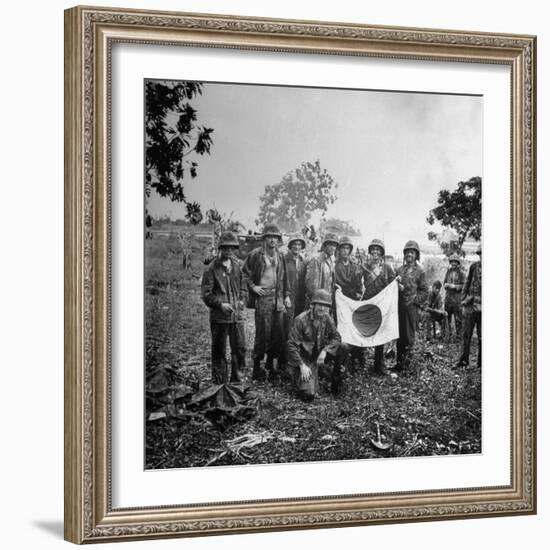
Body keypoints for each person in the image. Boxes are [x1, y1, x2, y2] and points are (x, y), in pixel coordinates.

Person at [242, 223, 291, 381]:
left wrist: (285, 296)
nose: (272, 240)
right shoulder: (256, 254)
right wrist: (253, 287)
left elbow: (284, 279)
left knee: (277, 333)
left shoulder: (280, 255)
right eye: (270, 237)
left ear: (278, 240)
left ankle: (270, 366)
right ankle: (257, 369)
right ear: (264, 239)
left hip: (277, 298)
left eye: (275, 237)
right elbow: (245, 274)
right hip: (263, 298)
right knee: (262, 334)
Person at [200, 231, 248, 384]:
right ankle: (219, 382)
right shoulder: (211, 269)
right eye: (225, 247)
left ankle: (237, 381)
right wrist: (221, 305)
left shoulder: (238, 266)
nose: (229, 251)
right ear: (220, 248)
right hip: (220, 317)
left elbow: (244, 287)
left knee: (240, 349)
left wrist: (242, 300)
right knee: (219, 350)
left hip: (237, 316)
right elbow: (206, 294)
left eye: (232, 248)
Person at [286, 289, 348, 401]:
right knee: (308, 395)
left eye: (326, 305)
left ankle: (335, 383)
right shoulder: (301, 320)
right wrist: (301, 365)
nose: (322, 308)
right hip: (305, 359)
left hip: (319, 355)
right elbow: (291, 345)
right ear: (312, 305)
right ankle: (299, 375)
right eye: (319, 304)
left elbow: (337, 337)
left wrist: (325, 351)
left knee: (343, 347)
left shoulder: (327, 318)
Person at [361, 238, 396, 375]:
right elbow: (358, 281)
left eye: (378, 250)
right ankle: (360, 360)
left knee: (380, 334)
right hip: (368, 301)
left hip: (382, 303)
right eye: (373, 249)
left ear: (381, 252)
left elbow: (392, 283)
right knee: (365, 330)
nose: (375, 252)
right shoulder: (365, 266)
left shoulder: (386, 267)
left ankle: (378, 364)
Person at [395, 240, 429, 372]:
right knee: (399, 335)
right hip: (399, 306)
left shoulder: (420, 271)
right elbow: (393, 287)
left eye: (412, 252)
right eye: (407, 252)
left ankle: (407, 365)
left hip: (411, 307)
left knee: (409, 337)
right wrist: (397, 286)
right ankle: (399, 364)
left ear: (416, 255)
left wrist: (416, 300)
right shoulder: (399, 270)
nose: (409, 254)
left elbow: (425, 290)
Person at [279, 235, 307, 373]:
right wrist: (286, 295)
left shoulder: (302, 261)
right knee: (287, 329)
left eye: (299, 245)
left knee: (298, 327)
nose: (297, 247)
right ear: (290, 246)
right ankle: (283, 360)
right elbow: (281, 279)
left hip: (300, 298)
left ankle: (295, 358)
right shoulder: (284, 259)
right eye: (294, 244)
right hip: (289, 297)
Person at [456, 244, 482, 369]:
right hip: (471, 307)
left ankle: (481, 363)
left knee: (483, 336)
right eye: (481, 253)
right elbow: (466, 284)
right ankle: (464, 360)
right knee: (466, 334)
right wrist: (463, 299)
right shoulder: (474, 267)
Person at [305, 233, 339, 306]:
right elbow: (312, 285)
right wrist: (314, 302)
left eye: (334, 245)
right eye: (330, 245)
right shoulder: (316, 260)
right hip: (318, 301)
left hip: (327, 300)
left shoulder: (331, 261)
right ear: (324, 246)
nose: (332, 248)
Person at [444, 253, 465, 339]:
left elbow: (464, 286)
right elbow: (444, 281)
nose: (453, 264)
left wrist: (455, 286)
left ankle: (459, 335)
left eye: (455, 262)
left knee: (458, 317)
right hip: (448, 297)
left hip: (457, 298)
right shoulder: (448, 272)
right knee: (447, 316)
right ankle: (448, 334)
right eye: (452, 262)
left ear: (458, 263)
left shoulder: (461, 273)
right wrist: (445, 285)